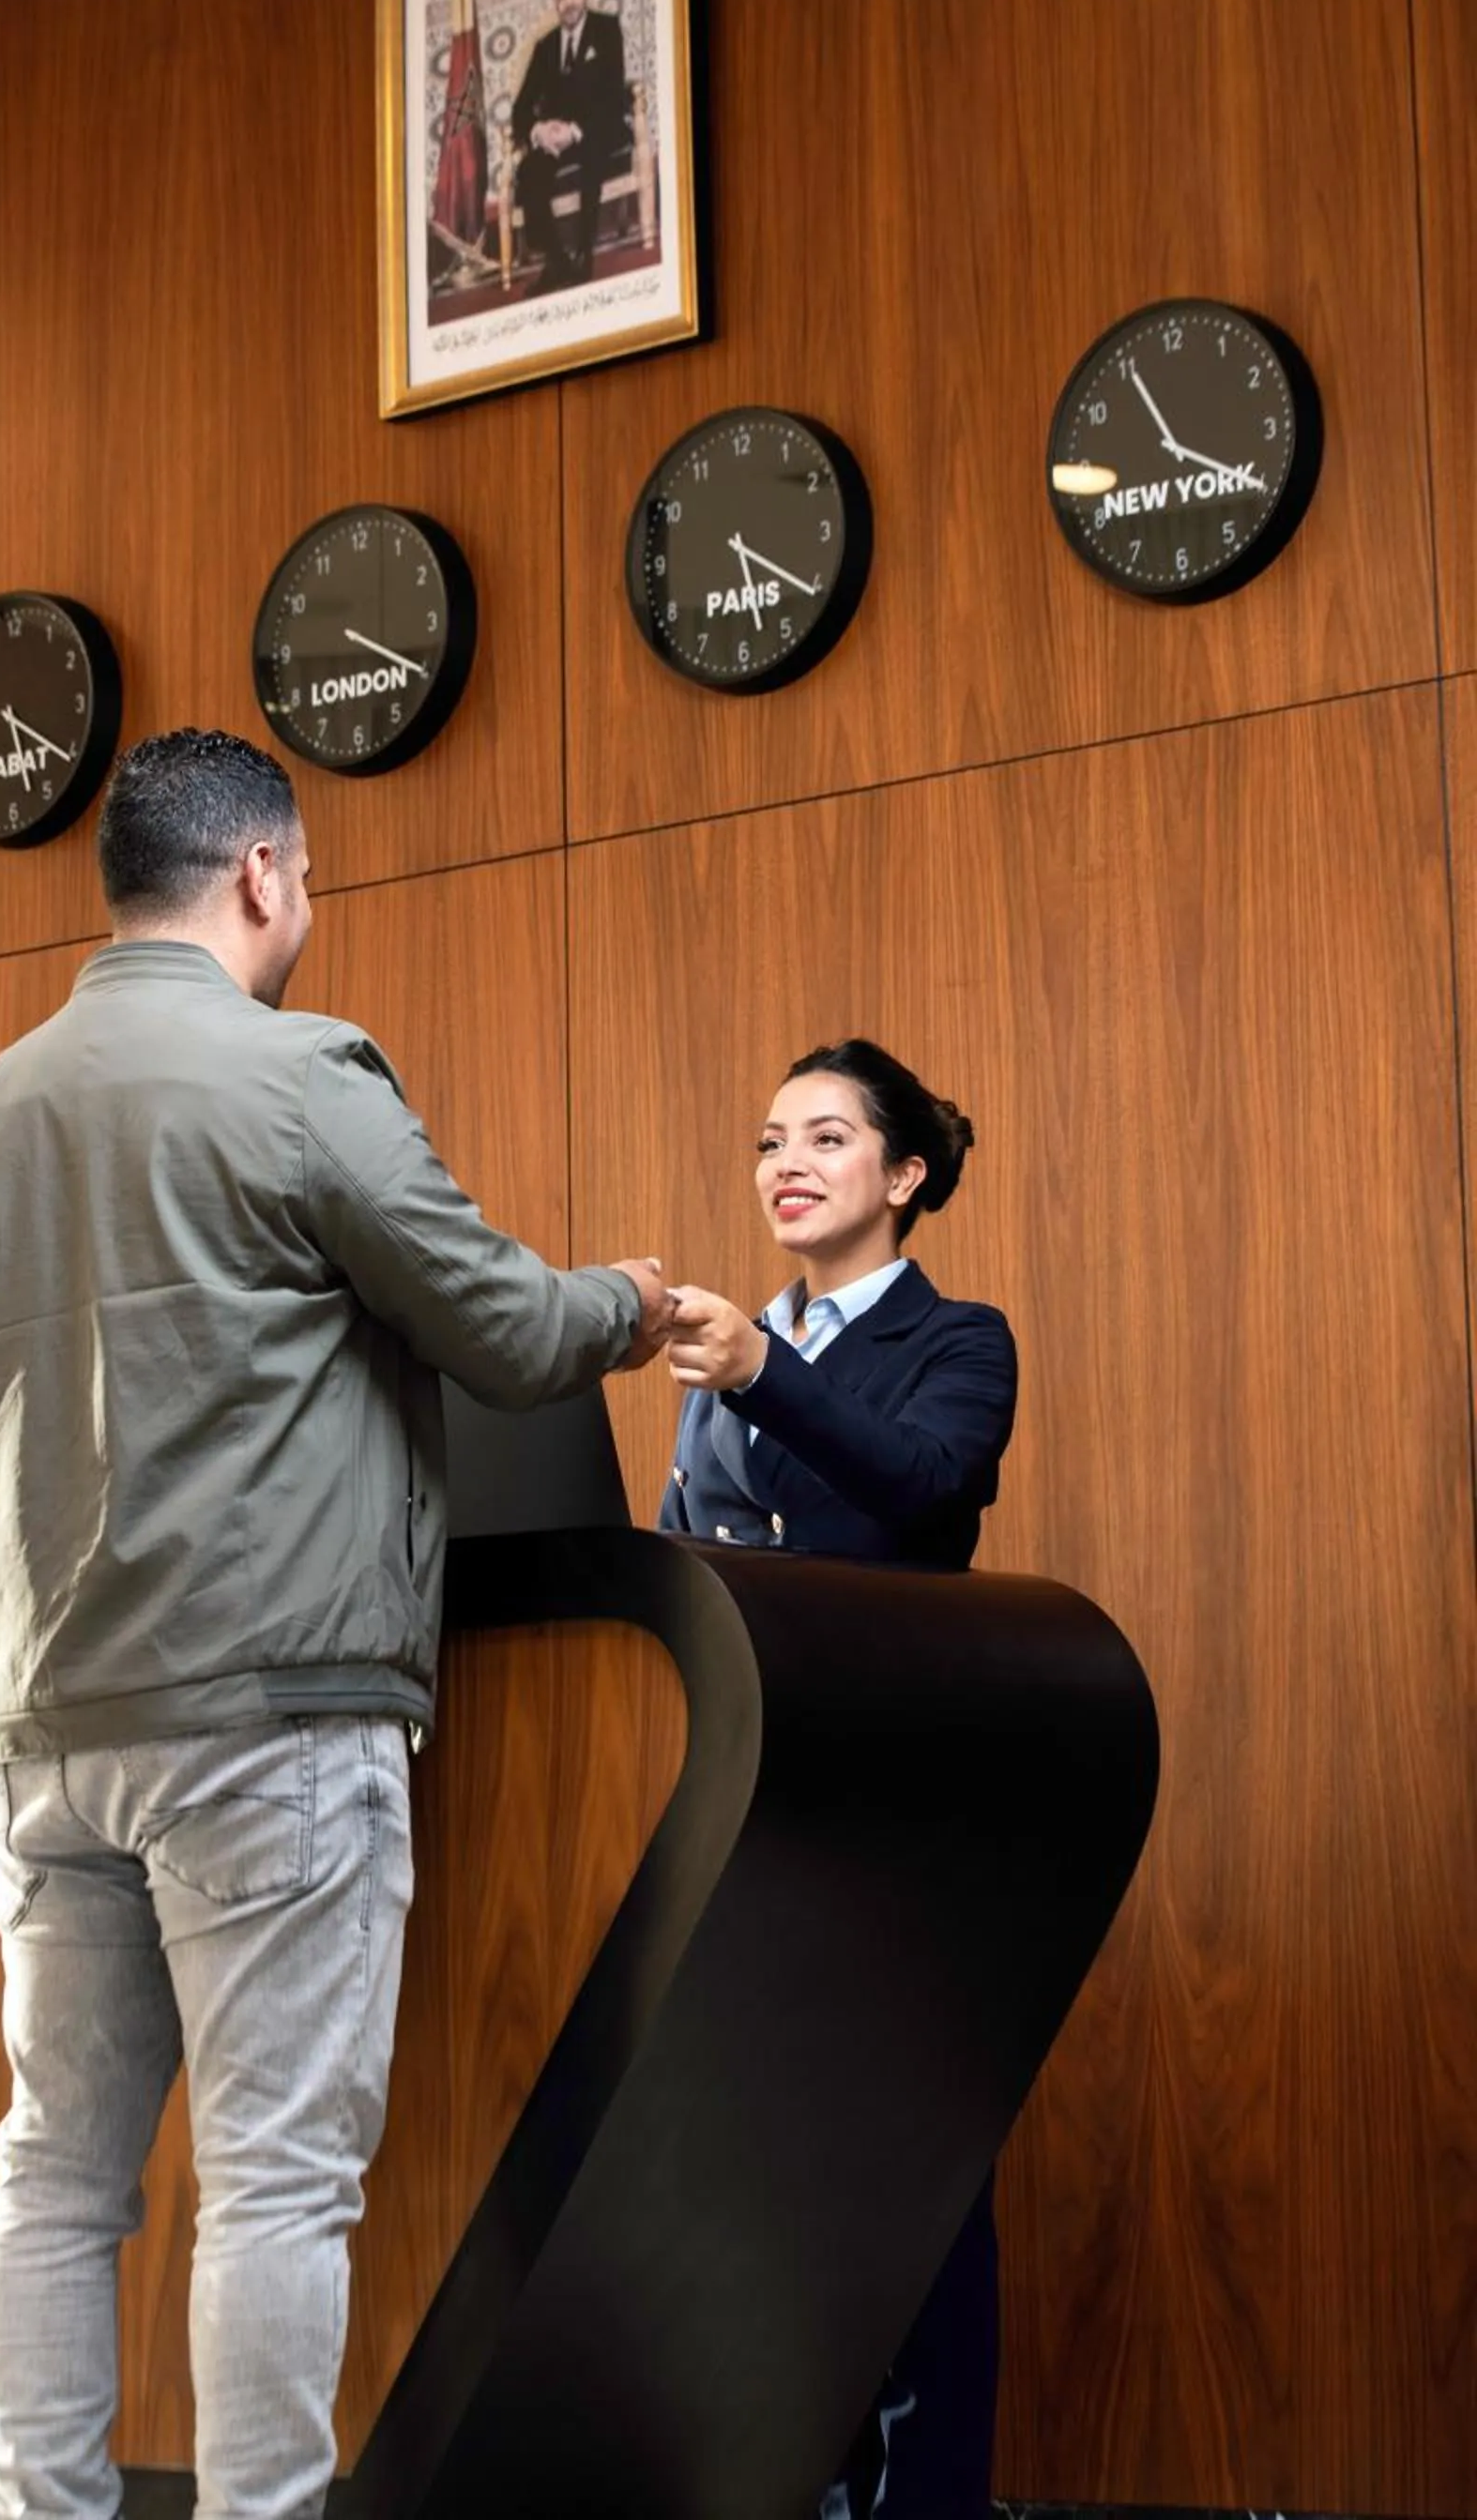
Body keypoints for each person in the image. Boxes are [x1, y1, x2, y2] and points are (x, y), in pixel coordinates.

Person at [0, 727, 673, 2520]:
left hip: (43, 1754)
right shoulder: (303, 1075)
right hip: (269, 1729)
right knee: (277, 2183)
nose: (309, 905)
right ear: (257, 875)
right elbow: (503, 1326)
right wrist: (632, 1301)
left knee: (56, 2180)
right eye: (306, 876)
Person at [659, 1037, 1018, 2520]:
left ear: (905, 1173)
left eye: (824, 1137)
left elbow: (922, 1487)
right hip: (745, 1805)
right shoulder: (730, 1350)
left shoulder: (960, 1338)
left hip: (890, 1809)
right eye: (766, 1140)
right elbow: (694, 1552)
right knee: (766, 2182)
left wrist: (767, 1373)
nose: (785, 1163)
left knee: (910, 2187)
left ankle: (920, 2504)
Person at [510, 0, 628, 291]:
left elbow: (614, 94)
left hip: (595, 129)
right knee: (529, 170)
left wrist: (576, 130)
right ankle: (556, 260)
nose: (569, 2)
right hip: (555, 139)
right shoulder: (545, 47)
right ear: (555, 2)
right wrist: (539, 131)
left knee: (592, 149)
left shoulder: (606, 29)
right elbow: (520, 108)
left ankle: (583, 254)